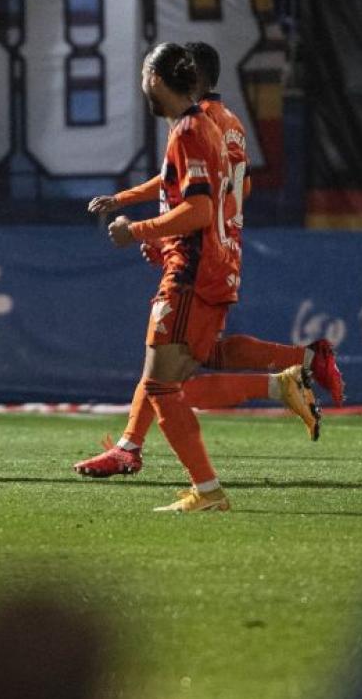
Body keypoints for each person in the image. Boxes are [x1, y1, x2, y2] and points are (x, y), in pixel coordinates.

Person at [75, 42, 336, 479]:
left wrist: (154, 230)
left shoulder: (197, 125)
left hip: (199, 258)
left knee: (167, 376)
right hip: (216, 249)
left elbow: (196, 198)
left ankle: (183, 468)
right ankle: (301, 366)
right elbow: (228, 189)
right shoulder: (227, 123)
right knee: (196, 356)